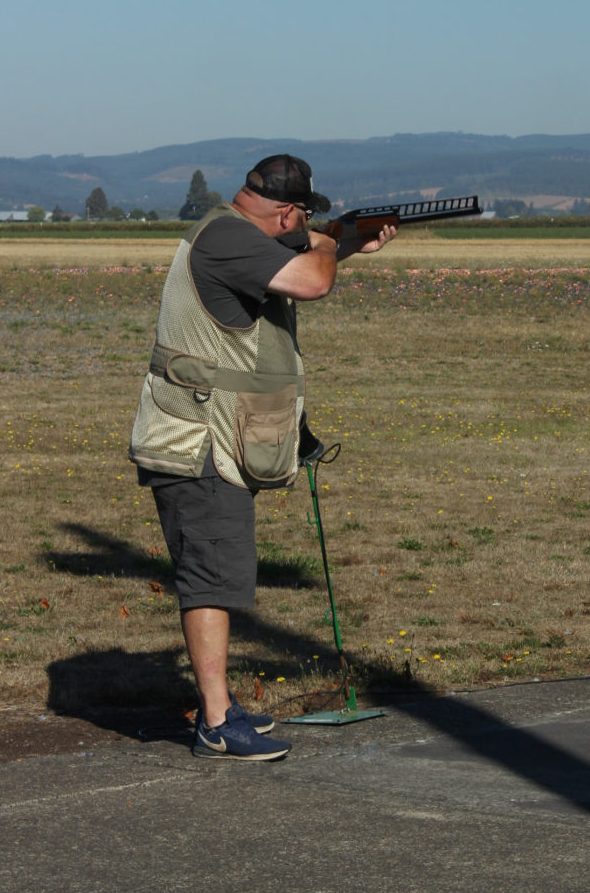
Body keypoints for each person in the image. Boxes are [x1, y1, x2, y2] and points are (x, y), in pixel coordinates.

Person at [130, 154, 395, 760]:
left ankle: (217, 705)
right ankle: (217, 724)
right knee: (209, 580)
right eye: (303, 215)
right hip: (197, 444)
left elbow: (293, 267)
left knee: (219, 572)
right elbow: (312, 279)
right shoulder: (226, 237)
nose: (306, 225)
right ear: (287, 212)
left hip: (216, 436)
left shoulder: (236, 234)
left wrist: (346, 244)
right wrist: (329, 244)